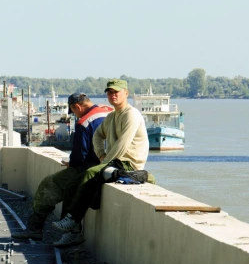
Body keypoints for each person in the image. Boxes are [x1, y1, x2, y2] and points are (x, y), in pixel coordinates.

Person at [51, 79, 155, 248]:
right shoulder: (112, 116)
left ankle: (72, 219)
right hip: (113, 162)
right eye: (109, 92)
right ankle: (73, 232)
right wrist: (101, 155)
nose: (112, 95)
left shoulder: (131, 114)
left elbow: (123, 144)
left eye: (116, 92)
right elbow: (97, 136)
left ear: (126, 93)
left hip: (128, 164)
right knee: (72, 185)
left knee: (91, 173)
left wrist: (105, 163)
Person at [12, 93, 111, 240]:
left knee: (49, 184)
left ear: (77, 106)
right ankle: (71, 228)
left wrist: (70, 163)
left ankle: (36, 228)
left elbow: (79, 156)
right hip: (111, 165)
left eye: (74, 112)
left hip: (90, 167)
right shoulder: (109, 113)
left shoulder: (84, 122)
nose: (75, 115)